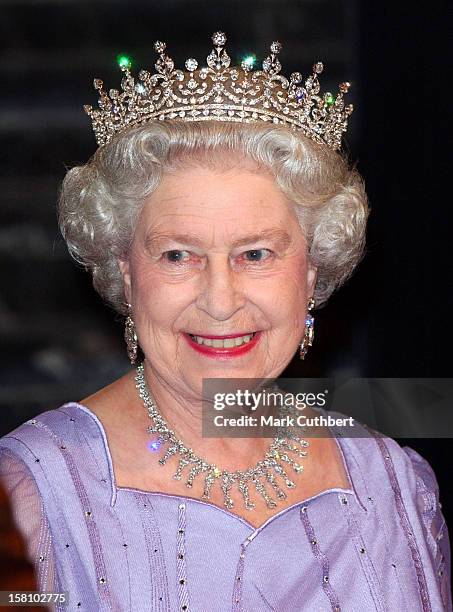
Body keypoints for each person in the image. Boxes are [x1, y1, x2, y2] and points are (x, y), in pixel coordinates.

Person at [0, 31, 450, 611]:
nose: (220, 300)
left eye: (256, 254)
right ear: (126, 271)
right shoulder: (30, 491)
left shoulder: (395, 482)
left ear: (311, 271)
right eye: (178, 255)